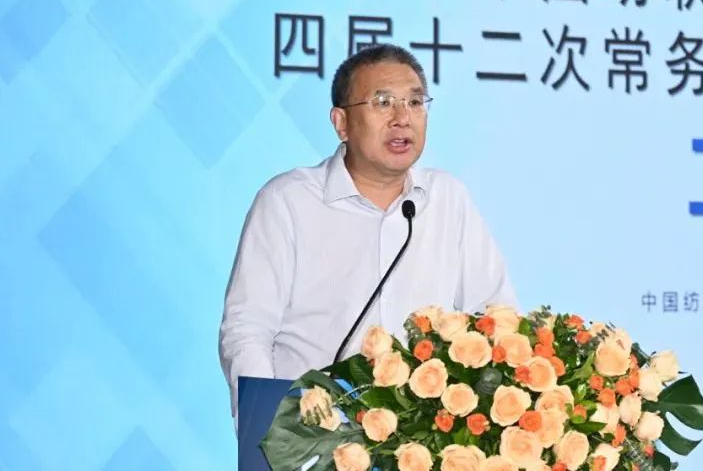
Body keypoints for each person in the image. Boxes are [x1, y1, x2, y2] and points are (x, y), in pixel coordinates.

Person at [218, 44, 517, 417]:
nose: (402, 118)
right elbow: (248, 329)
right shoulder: (288, 201)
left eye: (415, 102)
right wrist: (268, 427)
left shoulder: (447, 198)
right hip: (315, 434)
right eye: (383, 102)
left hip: (423, 438)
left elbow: (495, 316)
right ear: (341, 123)